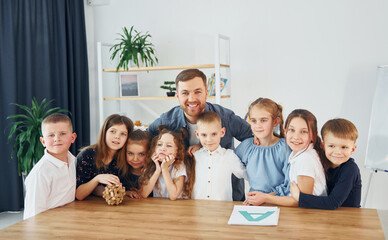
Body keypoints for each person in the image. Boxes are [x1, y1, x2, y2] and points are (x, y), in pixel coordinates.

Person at [147, 69, 251, 201]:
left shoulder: (225, 118)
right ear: (177, 95)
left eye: (197, 92)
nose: (191, 98)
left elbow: (254, 138)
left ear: (206, 93)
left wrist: (232, 154)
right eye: (185, 93)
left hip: (227, 198)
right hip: (182, 199)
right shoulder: (167, 120)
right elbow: (143, 141)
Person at [244, 109, 329, 206]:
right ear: (285, 131)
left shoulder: (305, 159)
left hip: (310, 216)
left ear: (313, 135)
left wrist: (266, 198)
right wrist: (262, 198)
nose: (296, 137)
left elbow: (303, 201)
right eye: (292, 130)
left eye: (303, 131)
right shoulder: (298, 154)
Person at [290, 118, 362, 210]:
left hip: (348, 216)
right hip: (327, 214)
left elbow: (332, 203)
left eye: (344, 147)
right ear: (323, 146)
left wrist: (299, 197)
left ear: (352, 149)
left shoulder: (351, 169)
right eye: (331, 146)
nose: (338, 152)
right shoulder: (322, 162)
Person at [24, 113, 77, 219]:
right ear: (43, 141)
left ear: (72, 137)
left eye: (62, 133)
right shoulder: (40, 173)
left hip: (69, 218)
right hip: (48, 225)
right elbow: (33, 214)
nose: (57, 139)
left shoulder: (73, 161)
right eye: (51, 135)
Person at [235, 98, 290, 199]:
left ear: (275, 122)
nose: (258, 125)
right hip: (254, 203)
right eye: (254, 121)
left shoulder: (285, 148)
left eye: (263, 120)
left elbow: (289, 185)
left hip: (280, 202)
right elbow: (229, 160)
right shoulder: (246, 146)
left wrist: (266, 197)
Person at [75, 114, 133, 200]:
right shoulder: (87, 155)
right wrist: (97, 179)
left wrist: (126, 192)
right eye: (113, 131)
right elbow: (78, 195)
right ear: (104, 132)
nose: (117, 136)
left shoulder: (124, 158)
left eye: (123, 134)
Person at [192, 111, 247, 201]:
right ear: (197, 134)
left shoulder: (229, 156)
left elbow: (247, 175)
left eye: (214, 134)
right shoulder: (194, 156)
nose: (209, 139)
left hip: (223, 210)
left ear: (222, 132)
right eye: (204, 135)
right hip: (198, 209)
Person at [139, 126, 195, 200]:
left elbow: (173, 196)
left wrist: (164, 169)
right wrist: (157, 171)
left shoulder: (179, 166)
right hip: (160, 207)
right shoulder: (152, 166)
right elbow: (143, 194)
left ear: (178, 152)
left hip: (178, 207)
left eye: (169, 146)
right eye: (159, 144)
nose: (163, 148)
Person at [118, 129, 151, 199]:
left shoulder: (153, 173)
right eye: (130, 153)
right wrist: (125, 193)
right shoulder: (119, 172)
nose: (135, 159)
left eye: (141, 154)